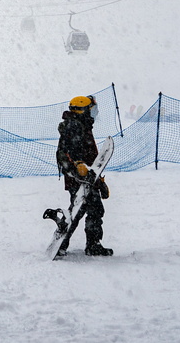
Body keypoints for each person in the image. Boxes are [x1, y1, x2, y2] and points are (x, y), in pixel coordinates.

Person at [54, 95, 113, 256]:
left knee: (83, 210)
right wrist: (77, 167)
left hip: (86, 179)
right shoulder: (73, 126)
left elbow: (91, 159)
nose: (93, 114)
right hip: (78, 179)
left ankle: (67, 243)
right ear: (83, 110)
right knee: (87, 210)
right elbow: (63, 153)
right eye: (91, 110)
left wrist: (99, 182)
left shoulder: (83, 126)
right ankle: (84, 245)